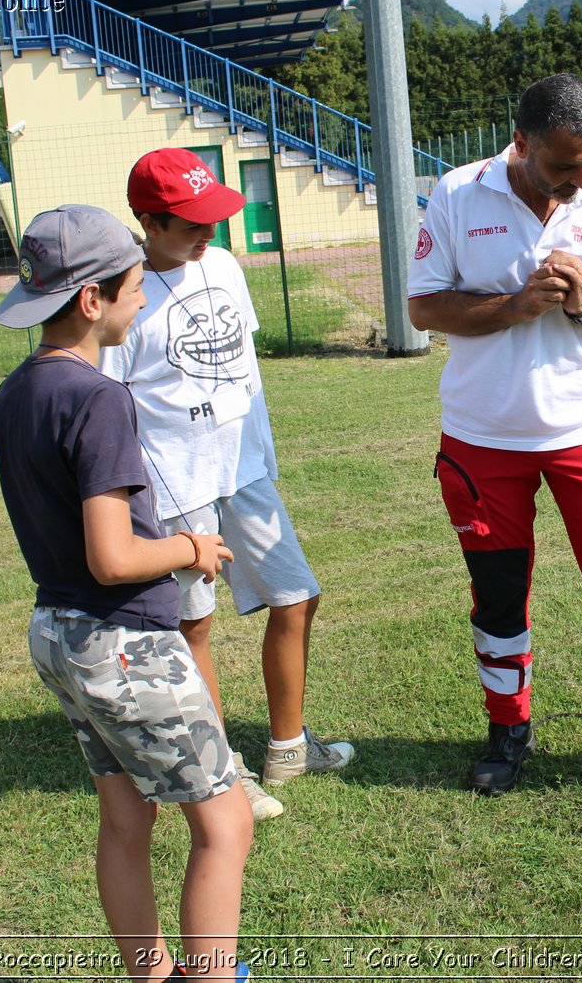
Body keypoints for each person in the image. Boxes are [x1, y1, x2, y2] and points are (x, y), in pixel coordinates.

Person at [407, 73, 582, 814]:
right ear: (522, 144)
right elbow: (425, 304)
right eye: (565, 165)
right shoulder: (458, 193)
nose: (581, 178)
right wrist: (513, 306)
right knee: (498, 601)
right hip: (482, 439)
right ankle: (508, 735)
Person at [0, 205, 251, 981]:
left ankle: (154, 976)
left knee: (125, 817)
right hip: (123, 642)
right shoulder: (99, 397)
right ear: (91, 300)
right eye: (137, 285)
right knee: (226, 821)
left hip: (58, 633)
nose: (144, 297)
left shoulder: (16, 391)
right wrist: (192, 547)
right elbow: (112, 556)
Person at [99, 148, 351, 822]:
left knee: (297, 594)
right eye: (190, 225)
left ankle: (288, 747)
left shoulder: (224, 267)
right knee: (195, 625)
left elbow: (246, 367)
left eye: (212, 220)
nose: (207, 235)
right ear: (147, 222)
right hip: (176, 487)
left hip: (245, 470)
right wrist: (138, 499)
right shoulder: (125, 295)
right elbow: (115, 404)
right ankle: (223, 772)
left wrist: (263, 454)